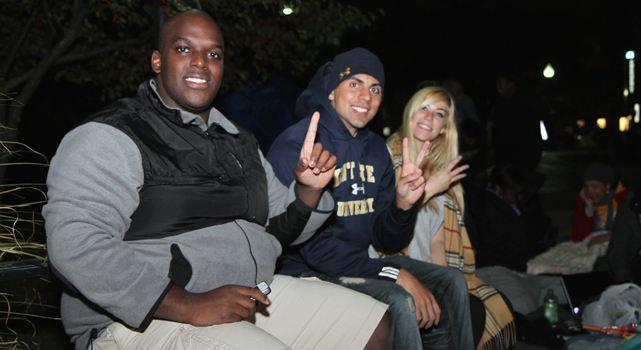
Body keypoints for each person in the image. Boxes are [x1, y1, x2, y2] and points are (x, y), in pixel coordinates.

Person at [43, 11, 393, 350]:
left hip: (249, 294)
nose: (200, 61)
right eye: (183, 49)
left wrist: (308, 191)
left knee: (372, 324)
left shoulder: (239, 141)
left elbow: (282, 230)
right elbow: (75, 243)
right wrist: (187, 304)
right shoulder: (113, 135)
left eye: (214, 54)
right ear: (157, 61)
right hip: (139, 319)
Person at [267, 48, 474, 350]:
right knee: (399, 300)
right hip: (304, 273)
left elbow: (386, 238)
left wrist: (403, 206)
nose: (366, 96)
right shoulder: (299, 147)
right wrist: (392, 273)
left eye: (375, 88)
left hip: (354, 262)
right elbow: (314, 249)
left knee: (451, 283)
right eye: (355, 84)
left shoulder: (376, 150)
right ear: (331, 92)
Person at [377, 86, 516, 350]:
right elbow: (382, 228)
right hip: (393, 270)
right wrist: (429, 190)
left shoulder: (440, 170)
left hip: (427, 272)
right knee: (473, 315)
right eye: (424, 108)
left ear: (444, 127)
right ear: (410, 113)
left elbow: (437, 242)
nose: (429, 117)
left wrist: (451, 288)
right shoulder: (383, 158)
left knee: (494, 306)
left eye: (439, 113)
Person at [571, 162, 630, 243]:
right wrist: (589, 209)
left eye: (595, 187)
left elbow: (630, 234)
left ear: (607, 186)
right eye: (587, 187)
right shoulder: (584, 201)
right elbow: (578, 240)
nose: (590, 191)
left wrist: (610, 236)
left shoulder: (623, 200)